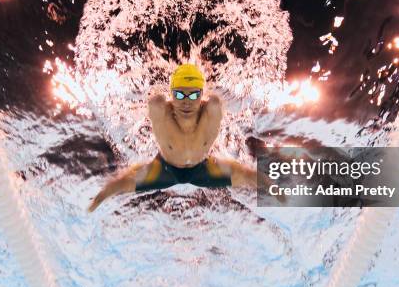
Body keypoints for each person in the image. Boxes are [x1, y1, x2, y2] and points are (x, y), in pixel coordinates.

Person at [87, 63, 275, 212]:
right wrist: (101, 195)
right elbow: (156, 101)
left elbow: (244, 173)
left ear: (202, 95)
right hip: (165, 169)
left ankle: (278, 189)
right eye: (179, 94)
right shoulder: (161, 109)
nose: (186, 101)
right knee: (119, 186)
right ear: (171, 95)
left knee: (249, 176)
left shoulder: (211, 111)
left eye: (193, 95)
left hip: (202, 169)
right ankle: (97, 200)